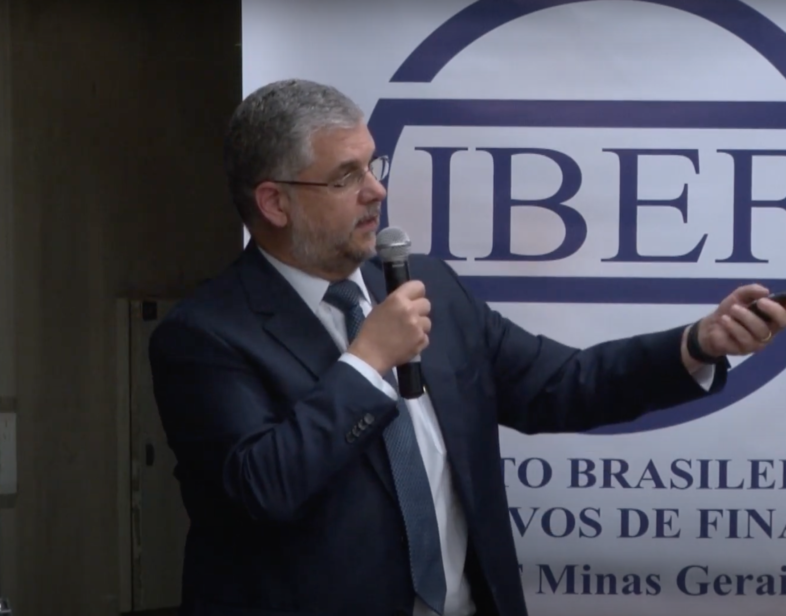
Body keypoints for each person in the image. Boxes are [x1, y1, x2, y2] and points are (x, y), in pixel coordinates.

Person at [148, 79, 786, 616]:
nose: (375, 191)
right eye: (345, 177)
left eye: (372, 166)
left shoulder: (429, 288)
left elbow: (561, 384)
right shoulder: (205, 336)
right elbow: (260, 490)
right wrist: (367, 364)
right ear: (274, 202)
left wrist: (697, 344)